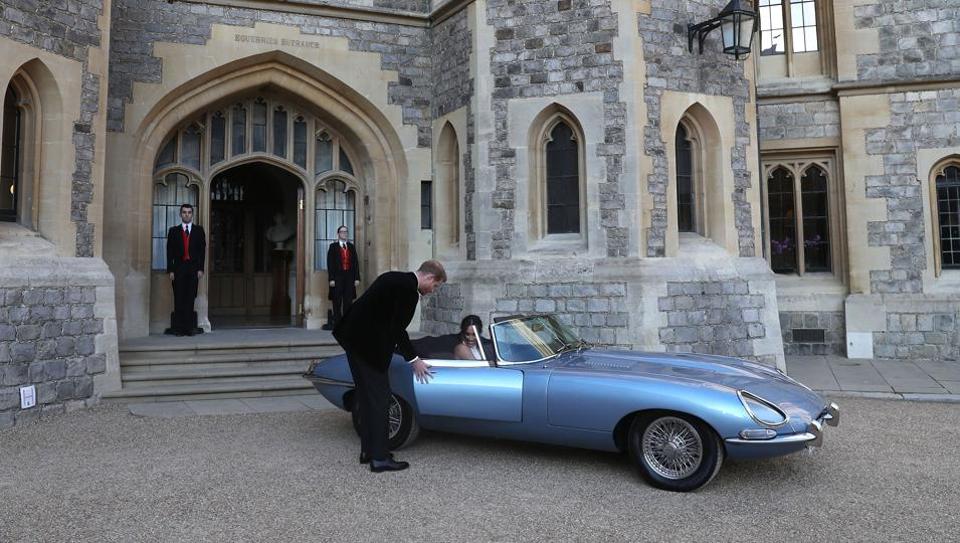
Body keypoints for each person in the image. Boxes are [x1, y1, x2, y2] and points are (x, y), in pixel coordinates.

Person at [333, 260, 446, 473]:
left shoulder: (393, 278)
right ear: (429, 278)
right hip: (368, 349)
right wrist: (414, 360)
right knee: (380, 401)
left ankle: (368, 451)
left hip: (353, 342)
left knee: (366, 399)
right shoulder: (408, 291)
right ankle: (380, 458)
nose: (433, 290)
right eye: (436, 286)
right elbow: (397, 329)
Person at [166, 203, 206, 337]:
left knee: (190, 298)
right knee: (179, 298)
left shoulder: (199, 231)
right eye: (184, 212)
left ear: (192, 214)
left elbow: (202, 251)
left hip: (193, 269)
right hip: (179, 268)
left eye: (189, 212)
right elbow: (169, 252)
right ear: (180, 214)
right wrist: (170, 270)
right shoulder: (173, 231)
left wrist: (201, 269)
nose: (187, 214)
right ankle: (179, 329)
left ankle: (189, 328)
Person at [326, 225, 359, 327]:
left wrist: (357, 278)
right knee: (337, 300)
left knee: (348, 301)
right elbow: (330, 263)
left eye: (346, 232)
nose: (344, 233)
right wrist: (331, 278)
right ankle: (337, 324)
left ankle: (347, 323)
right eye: (342, 232)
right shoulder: (333, 247)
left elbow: (356, 263)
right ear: (338, 234)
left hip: (349, 277)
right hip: (337, 278)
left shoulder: (351, 247)